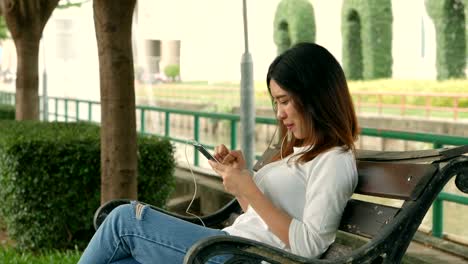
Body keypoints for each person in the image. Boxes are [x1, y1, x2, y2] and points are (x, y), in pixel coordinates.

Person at [78, 42, 359, 264]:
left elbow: (308, 247)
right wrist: (240, 183)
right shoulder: (304, 151)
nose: (280, 113)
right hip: (230, 247)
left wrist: (249, 188)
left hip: (237, 256)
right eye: (276, 102)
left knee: (124, 220)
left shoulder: (334, 161)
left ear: (315, 95)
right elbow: (264, 222)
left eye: (284, 101)